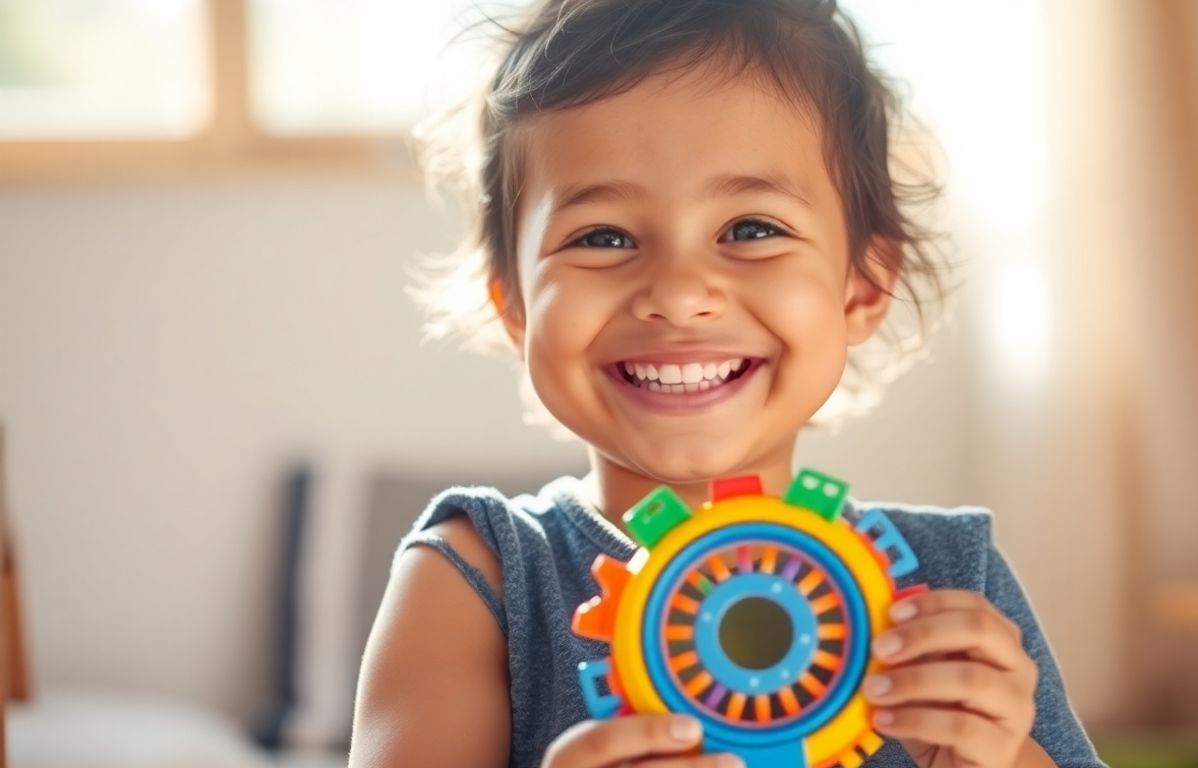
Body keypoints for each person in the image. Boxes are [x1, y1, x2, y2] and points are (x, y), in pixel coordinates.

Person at [350, 1, 1104, 766]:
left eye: (752, 229)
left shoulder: (951, 579)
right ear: (514, 305)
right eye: (602, 238)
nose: (679, 293)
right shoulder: (477, 578)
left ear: (863, 286)